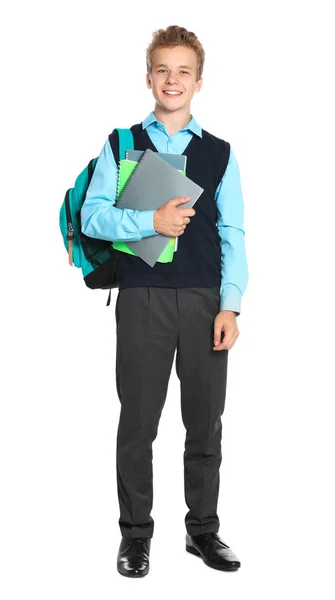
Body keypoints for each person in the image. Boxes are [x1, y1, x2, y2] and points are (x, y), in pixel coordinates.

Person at [80, 24, 249, 577]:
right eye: (162, 69)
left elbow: (233, 234)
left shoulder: (220, 154)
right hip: (142, 297)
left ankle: (202, 532)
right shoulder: (123, 143)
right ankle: (135, 537)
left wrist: (231, 304)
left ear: (199, 82)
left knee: (205, 424)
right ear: (148, 76)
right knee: (139, 424)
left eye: (183, 71)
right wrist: (148, 220)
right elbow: (93, 215)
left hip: (204, 302)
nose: (172, 80)